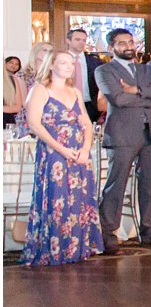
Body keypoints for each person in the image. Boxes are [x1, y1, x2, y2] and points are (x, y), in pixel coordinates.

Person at [20, 50, 103, 265]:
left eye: (71, 63)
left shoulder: (75, 91)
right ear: (51, 65)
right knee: (57, 199)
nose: (69, 66)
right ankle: (56, 249)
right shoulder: (40, 90)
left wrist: (85, 148)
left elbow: (86, 123)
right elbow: (35, 124)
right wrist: (61, 149)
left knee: (79, 200)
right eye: (63, 62)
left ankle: (77, 247)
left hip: (79, 153)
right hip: (53, 153)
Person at [96, 28, 151, 252]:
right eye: (122, 43)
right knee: (115, 185)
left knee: (150, 184)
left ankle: (150, 231)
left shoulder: (146, 69)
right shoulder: (104, 70)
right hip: (122, 134)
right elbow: (118, 99)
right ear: (112, 48)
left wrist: (137, 91)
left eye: (131, 41)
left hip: (150, 133)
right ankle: (108, 234)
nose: (129, 46)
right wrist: (148, 97)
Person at [64, 27, 105, 123]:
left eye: (84, 40)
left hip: (90, 105)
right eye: (77, 39)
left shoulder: (95, 62)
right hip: (67, 103)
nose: (81, 43)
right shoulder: (60, 60)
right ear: (68, 41)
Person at [4, 55, 24, 125]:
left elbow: (18, 107)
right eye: (11, 63)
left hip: (7, 118)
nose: (13, 65)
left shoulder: (15, 80)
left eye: (16, 64)